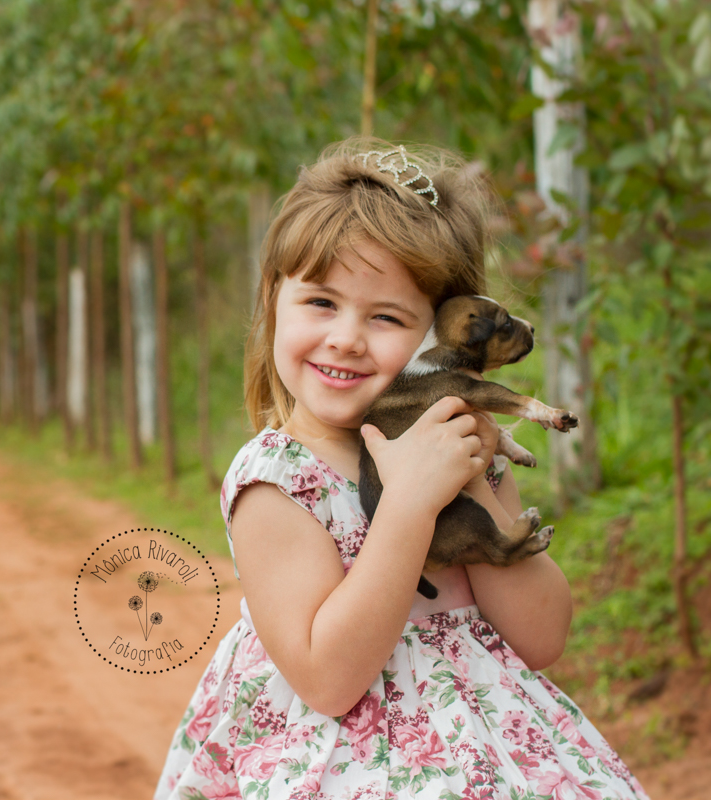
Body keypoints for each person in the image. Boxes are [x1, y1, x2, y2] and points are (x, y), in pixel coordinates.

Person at [153, 139, 649, 800]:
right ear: (274, 302)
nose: (346, 337)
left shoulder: (459, 443)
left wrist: (472, 479)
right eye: (321, 303)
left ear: (441, 335)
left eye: (386, 316)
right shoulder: (278, 478)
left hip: (488, 746)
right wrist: (411, 504)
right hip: (349, 764)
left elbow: (541, 635)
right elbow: (328, 678)